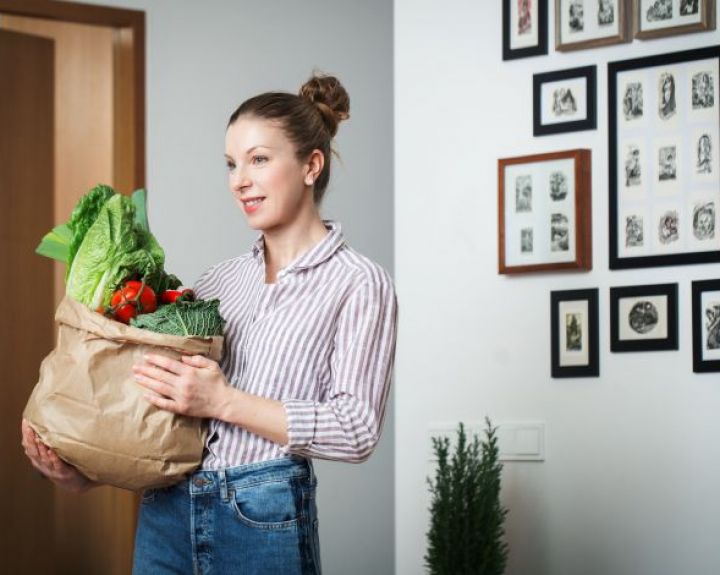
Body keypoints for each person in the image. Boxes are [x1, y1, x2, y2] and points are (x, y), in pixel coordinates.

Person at [21, 72, 399, 575]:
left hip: (263, 517)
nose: (238, 180)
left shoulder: (360, 283)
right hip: (166, 512)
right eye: (231, 164)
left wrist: (223, 400)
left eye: (258, 159)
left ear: (311, 165)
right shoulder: (217, 281)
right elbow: (171, 423)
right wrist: (85, 471)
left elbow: (355, 430)